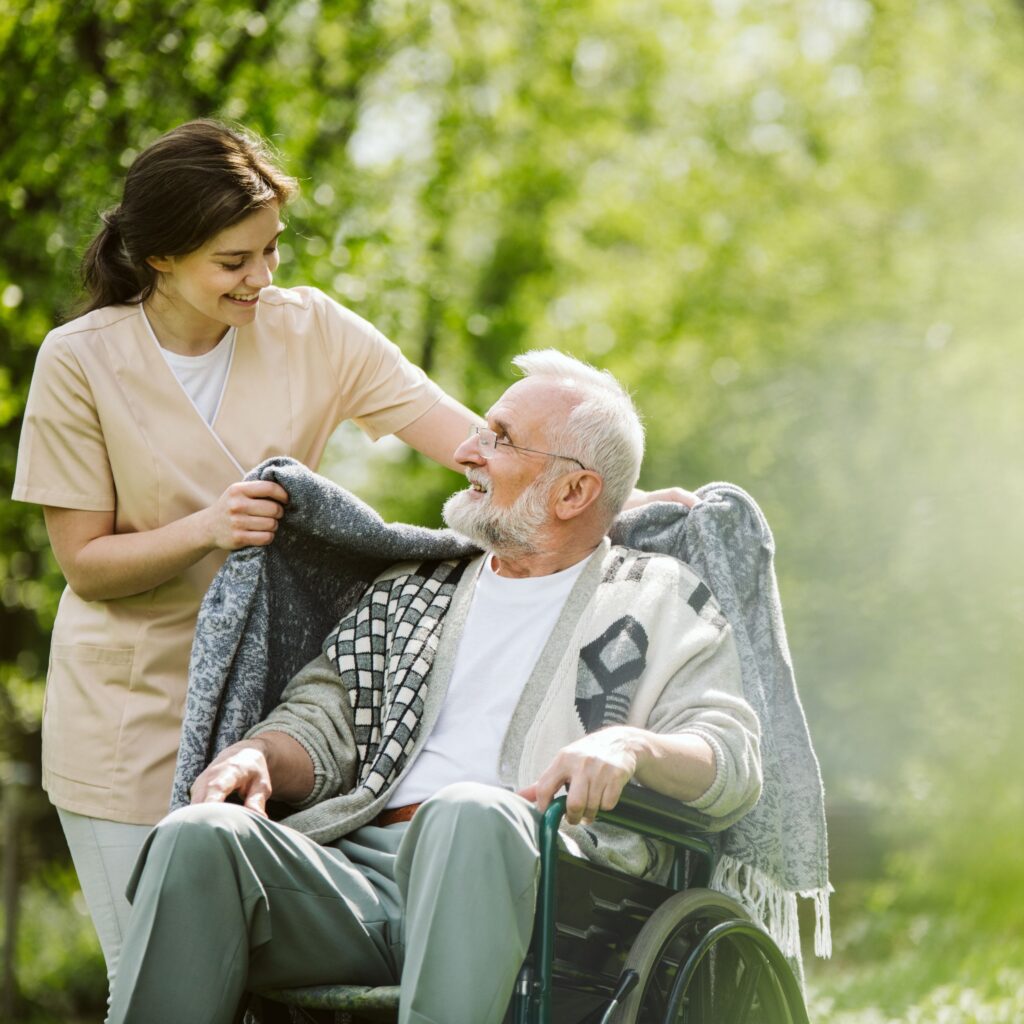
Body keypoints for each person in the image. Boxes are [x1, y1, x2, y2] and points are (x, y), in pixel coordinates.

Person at [11, 119, 693, 996]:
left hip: (275, 702)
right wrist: (209, 528)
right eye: (233, 262)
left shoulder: (313, 332)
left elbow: (473, 442)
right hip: (129, 708)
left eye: (271, 252)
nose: (261, 279)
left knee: (251, 985)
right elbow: (86, 564)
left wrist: (617, 494)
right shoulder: (78, 362)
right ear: (159, 258)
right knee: (145, 977)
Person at [107, 351, 762, 1024]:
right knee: (201, 835)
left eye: (499, 438)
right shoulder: (415, 590)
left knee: (470, 811)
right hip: (361, 879)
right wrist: (261, 755)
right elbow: (321, 719)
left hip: (549, 886)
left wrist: (633, 746)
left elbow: (731, 755)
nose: (466, 451)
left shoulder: (659, 599)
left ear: (574, 493)